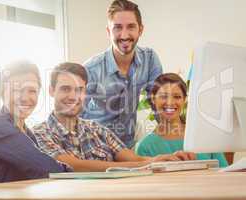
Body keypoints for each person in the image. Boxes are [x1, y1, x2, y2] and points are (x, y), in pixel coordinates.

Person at [33, 63, 195, 172]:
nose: (73, 96)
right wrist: (147, 163)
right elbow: (73, 165)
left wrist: (161, 159)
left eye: (79, 90)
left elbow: (133, 157)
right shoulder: (39, 133)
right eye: (65, 89)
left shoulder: (97, 129)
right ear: (52, 91)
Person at [0, 60, 68, 185]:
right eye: (16, 90)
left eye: (32, 91)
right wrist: (70, 172)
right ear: (2, 93)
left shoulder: (28, 134)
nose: (25, 98)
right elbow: (48, 169)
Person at [81, 0, 163, 148]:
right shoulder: (91, 69)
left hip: (127, 146)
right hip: (95, 146)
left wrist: (172, 136)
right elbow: (77, 116)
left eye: (131, 27)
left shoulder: (150, 59)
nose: (124, 35)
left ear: (140, 30)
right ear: (108, 32)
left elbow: (159, 103)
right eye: (117, 28)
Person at [135, 73, 228, 167]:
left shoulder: (204, 137)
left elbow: (225, 173)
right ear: (153, 99)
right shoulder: (145, 146)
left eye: (177, 97)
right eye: (164, 96)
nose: (170, 102)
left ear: (184, 100)